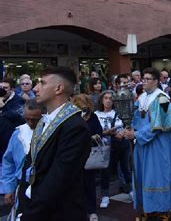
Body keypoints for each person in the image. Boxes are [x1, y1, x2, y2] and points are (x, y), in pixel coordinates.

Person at [16, 66, 91, 221]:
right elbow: (31, 165)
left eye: (42, 83)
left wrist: (29, 215)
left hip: (58, 212)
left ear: (58, 88)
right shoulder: (44, 121)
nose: (36, 88)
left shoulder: (75, 126)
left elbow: (58, 179)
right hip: (34, 205)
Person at [121, 67, 171, 220]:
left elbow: (158, 125)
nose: (144, 81)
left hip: (158, 145)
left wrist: (135, 134)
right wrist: (127, 128)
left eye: (147, 79)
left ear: (156, 81)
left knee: (157, 176)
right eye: (143, 78)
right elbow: (136, 118)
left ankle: (163, 210)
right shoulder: (142, 98)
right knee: (144, 176)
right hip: (142, 144)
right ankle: (149, 209)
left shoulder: (161, 98)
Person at [1, 99, 42, 205]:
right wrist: (8, 188)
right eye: (27, 118)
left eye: (35, 119)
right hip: (22, 183)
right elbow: (8, 162)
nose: (30, 123)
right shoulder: (19, 134)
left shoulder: (51, 133)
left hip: (43, 185)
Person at [95, 90, 132, 209]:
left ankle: (131, 191)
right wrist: (107, 132)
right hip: (105, 146)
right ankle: (105, 196)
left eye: (111, 98)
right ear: (101, 100)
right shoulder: (96, 114)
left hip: (121, 143)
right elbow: (94, 132)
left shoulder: (119, 113)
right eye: (105, 98)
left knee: (125, 167)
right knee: (105, 171)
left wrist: (122, 133)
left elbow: (127, 125)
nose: (108, 100)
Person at [71, 94, 102, 221]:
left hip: (90, 155)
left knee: (89, 184)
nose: (83, 107)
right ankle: (79, 210)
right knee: (76, 184)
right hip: (75, 156)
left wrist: (95, 136)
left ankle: (92, 210)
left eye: (84, 105)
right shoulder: (73, 118)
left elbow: (99, 131)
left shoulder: (93, 117)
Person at [0, 78, 25, 177]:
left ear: (12, 89)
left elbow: (18, 116)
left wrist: (3, 107)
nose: (2, 90)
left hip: (11, 140)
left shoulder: (19, 101)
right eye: (0, 87)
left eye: (5, 88)